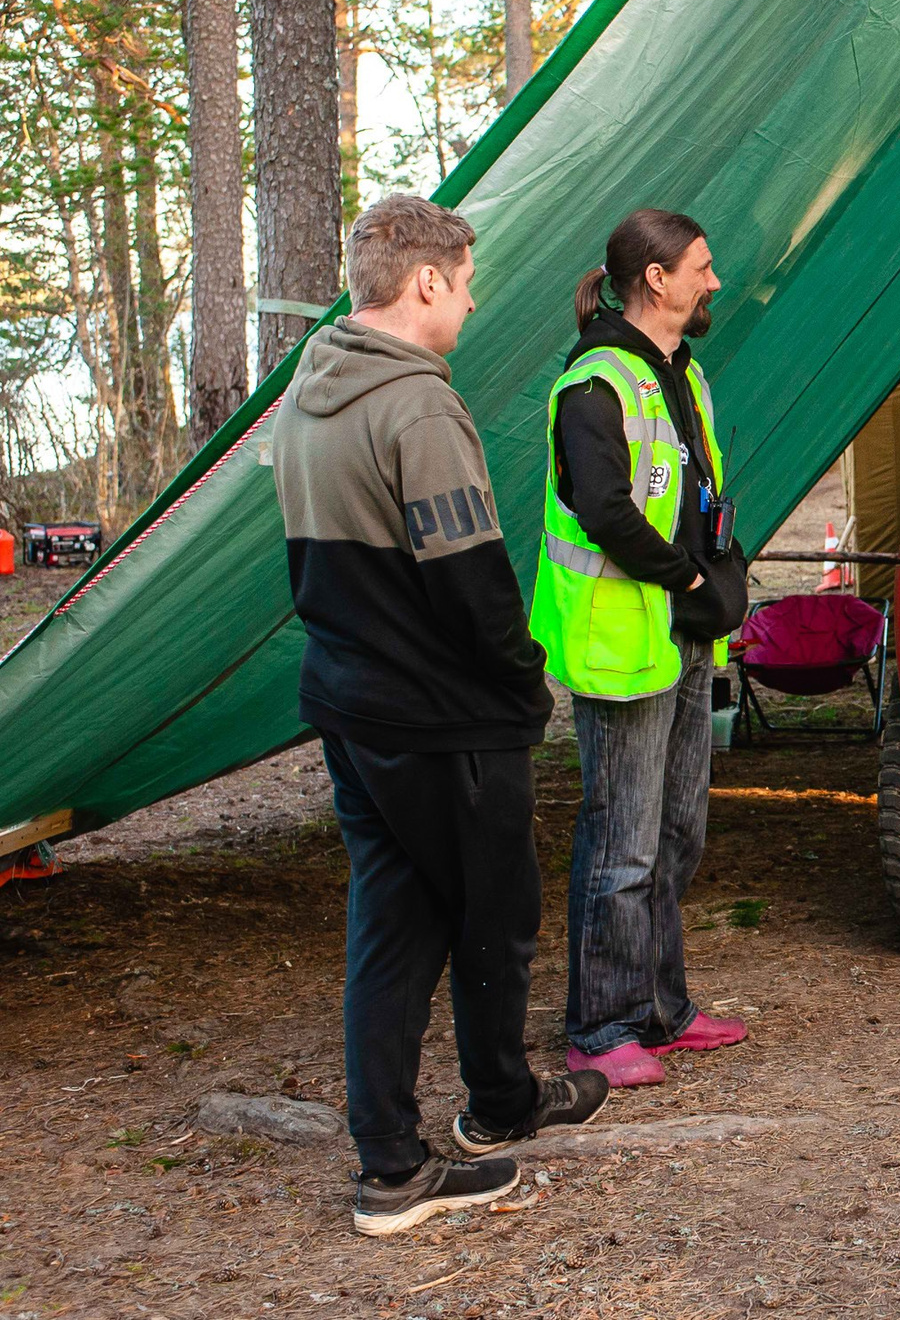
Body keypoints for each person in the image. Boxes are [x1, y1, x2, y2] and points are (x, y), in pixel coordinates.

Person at [270, 194, 608, 1236]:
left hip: (351, 699)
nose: (469, 301)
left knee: (392, 917)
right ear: (425, 280)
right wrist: (521, 681)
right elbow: (469, 583)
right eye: (464, 282)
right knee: (492, 917)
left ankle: (406, 1147)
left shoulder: (308, 392)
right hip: (439, 718)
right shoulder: (416, 405)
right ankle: (471, 1119)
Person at [530, 209, 751, 1086]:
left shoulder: (679, 375)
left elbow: (696, 493)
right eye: (702, 265)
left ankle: (661, 1009)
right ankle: (601, 1026)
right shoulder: (596, 384)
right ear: (656, 279)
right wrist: (691, 581)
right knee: (621, 843)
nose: (715, 280)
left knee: (676, 832)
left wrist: (719, 573)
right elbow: (605, 510)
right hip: (624, 638)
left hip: (679, 635)